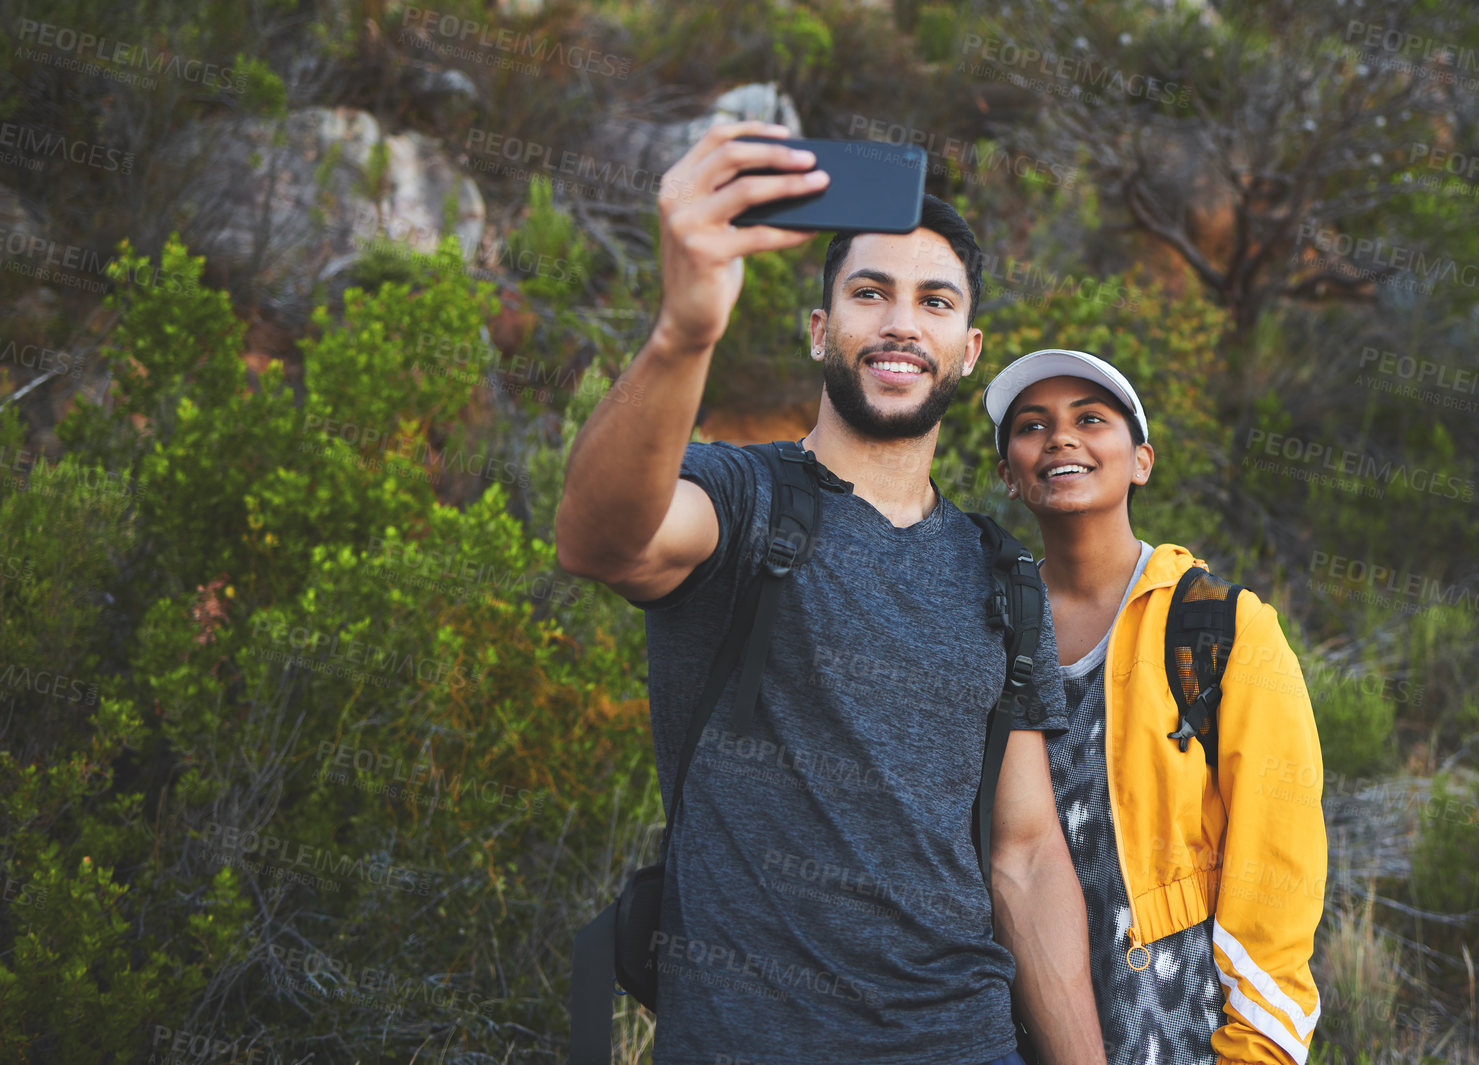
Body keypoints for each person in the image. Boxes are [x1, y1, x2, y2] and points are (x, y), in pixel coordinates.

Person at [555, 123, 1105, 1065]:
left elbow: (1024, 853)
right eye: (868, 293)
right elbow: (602, 539)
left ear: (967, 350)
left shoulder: (1001, 572)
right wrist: (685, 329)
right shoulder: (744, 499)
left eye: (933, 301)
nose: (900, 323)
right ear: (821, 330)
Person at [984, 349, 1328, 1065]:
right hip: (1009, 1018)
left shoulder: (1222, 626)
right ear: (1006, 475)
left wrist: (1256, 1051)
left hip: (1179, 1021)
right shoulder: (986, 627)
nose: (1060, 438)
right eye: (1031, 424)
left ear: (1140, 460)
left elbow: (1279, 860)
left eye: (1090, 418)